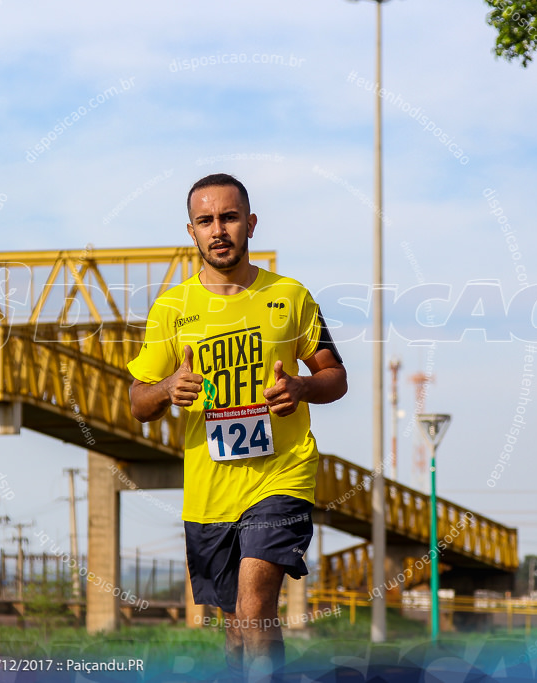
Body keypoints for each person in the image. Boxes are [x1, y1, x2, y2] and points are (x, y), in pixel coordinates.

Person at [127, 173, 347, 681]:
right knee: (233, 628)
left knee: (254, 605)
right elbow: (138, 402)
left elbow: (334, 376)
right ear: (192, 230)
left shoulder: (290, 298)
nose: (218, 229)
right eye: (206, 221)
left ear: (250, 223)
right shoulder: (172, 309)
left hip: (282, 477)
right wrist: (166, 390)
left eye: (228, 217)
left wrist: (301, 387)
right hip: (209, 490)